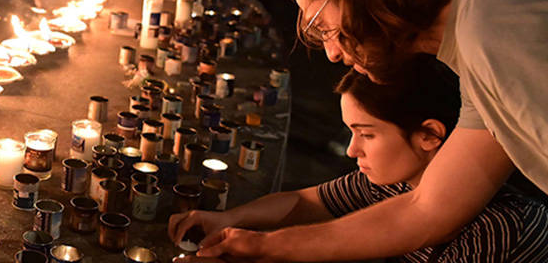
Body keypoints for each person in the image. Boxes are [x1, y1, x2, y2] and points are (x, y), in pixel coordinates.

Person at [195, 0, 548, 261]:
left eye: (322, 26)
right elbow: (428, 209)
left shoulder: (491, 22)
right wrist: (263, 246)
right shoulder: (475, 31)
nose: (331, 53)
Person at [171, 56, 548, 262]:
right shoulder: (391, 181)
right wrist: (230, 218)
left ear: (430, 135)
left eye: (366, 134)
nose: (352, 151)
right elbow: (306, 201)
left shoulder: (501, 230)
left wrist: (265, 249)